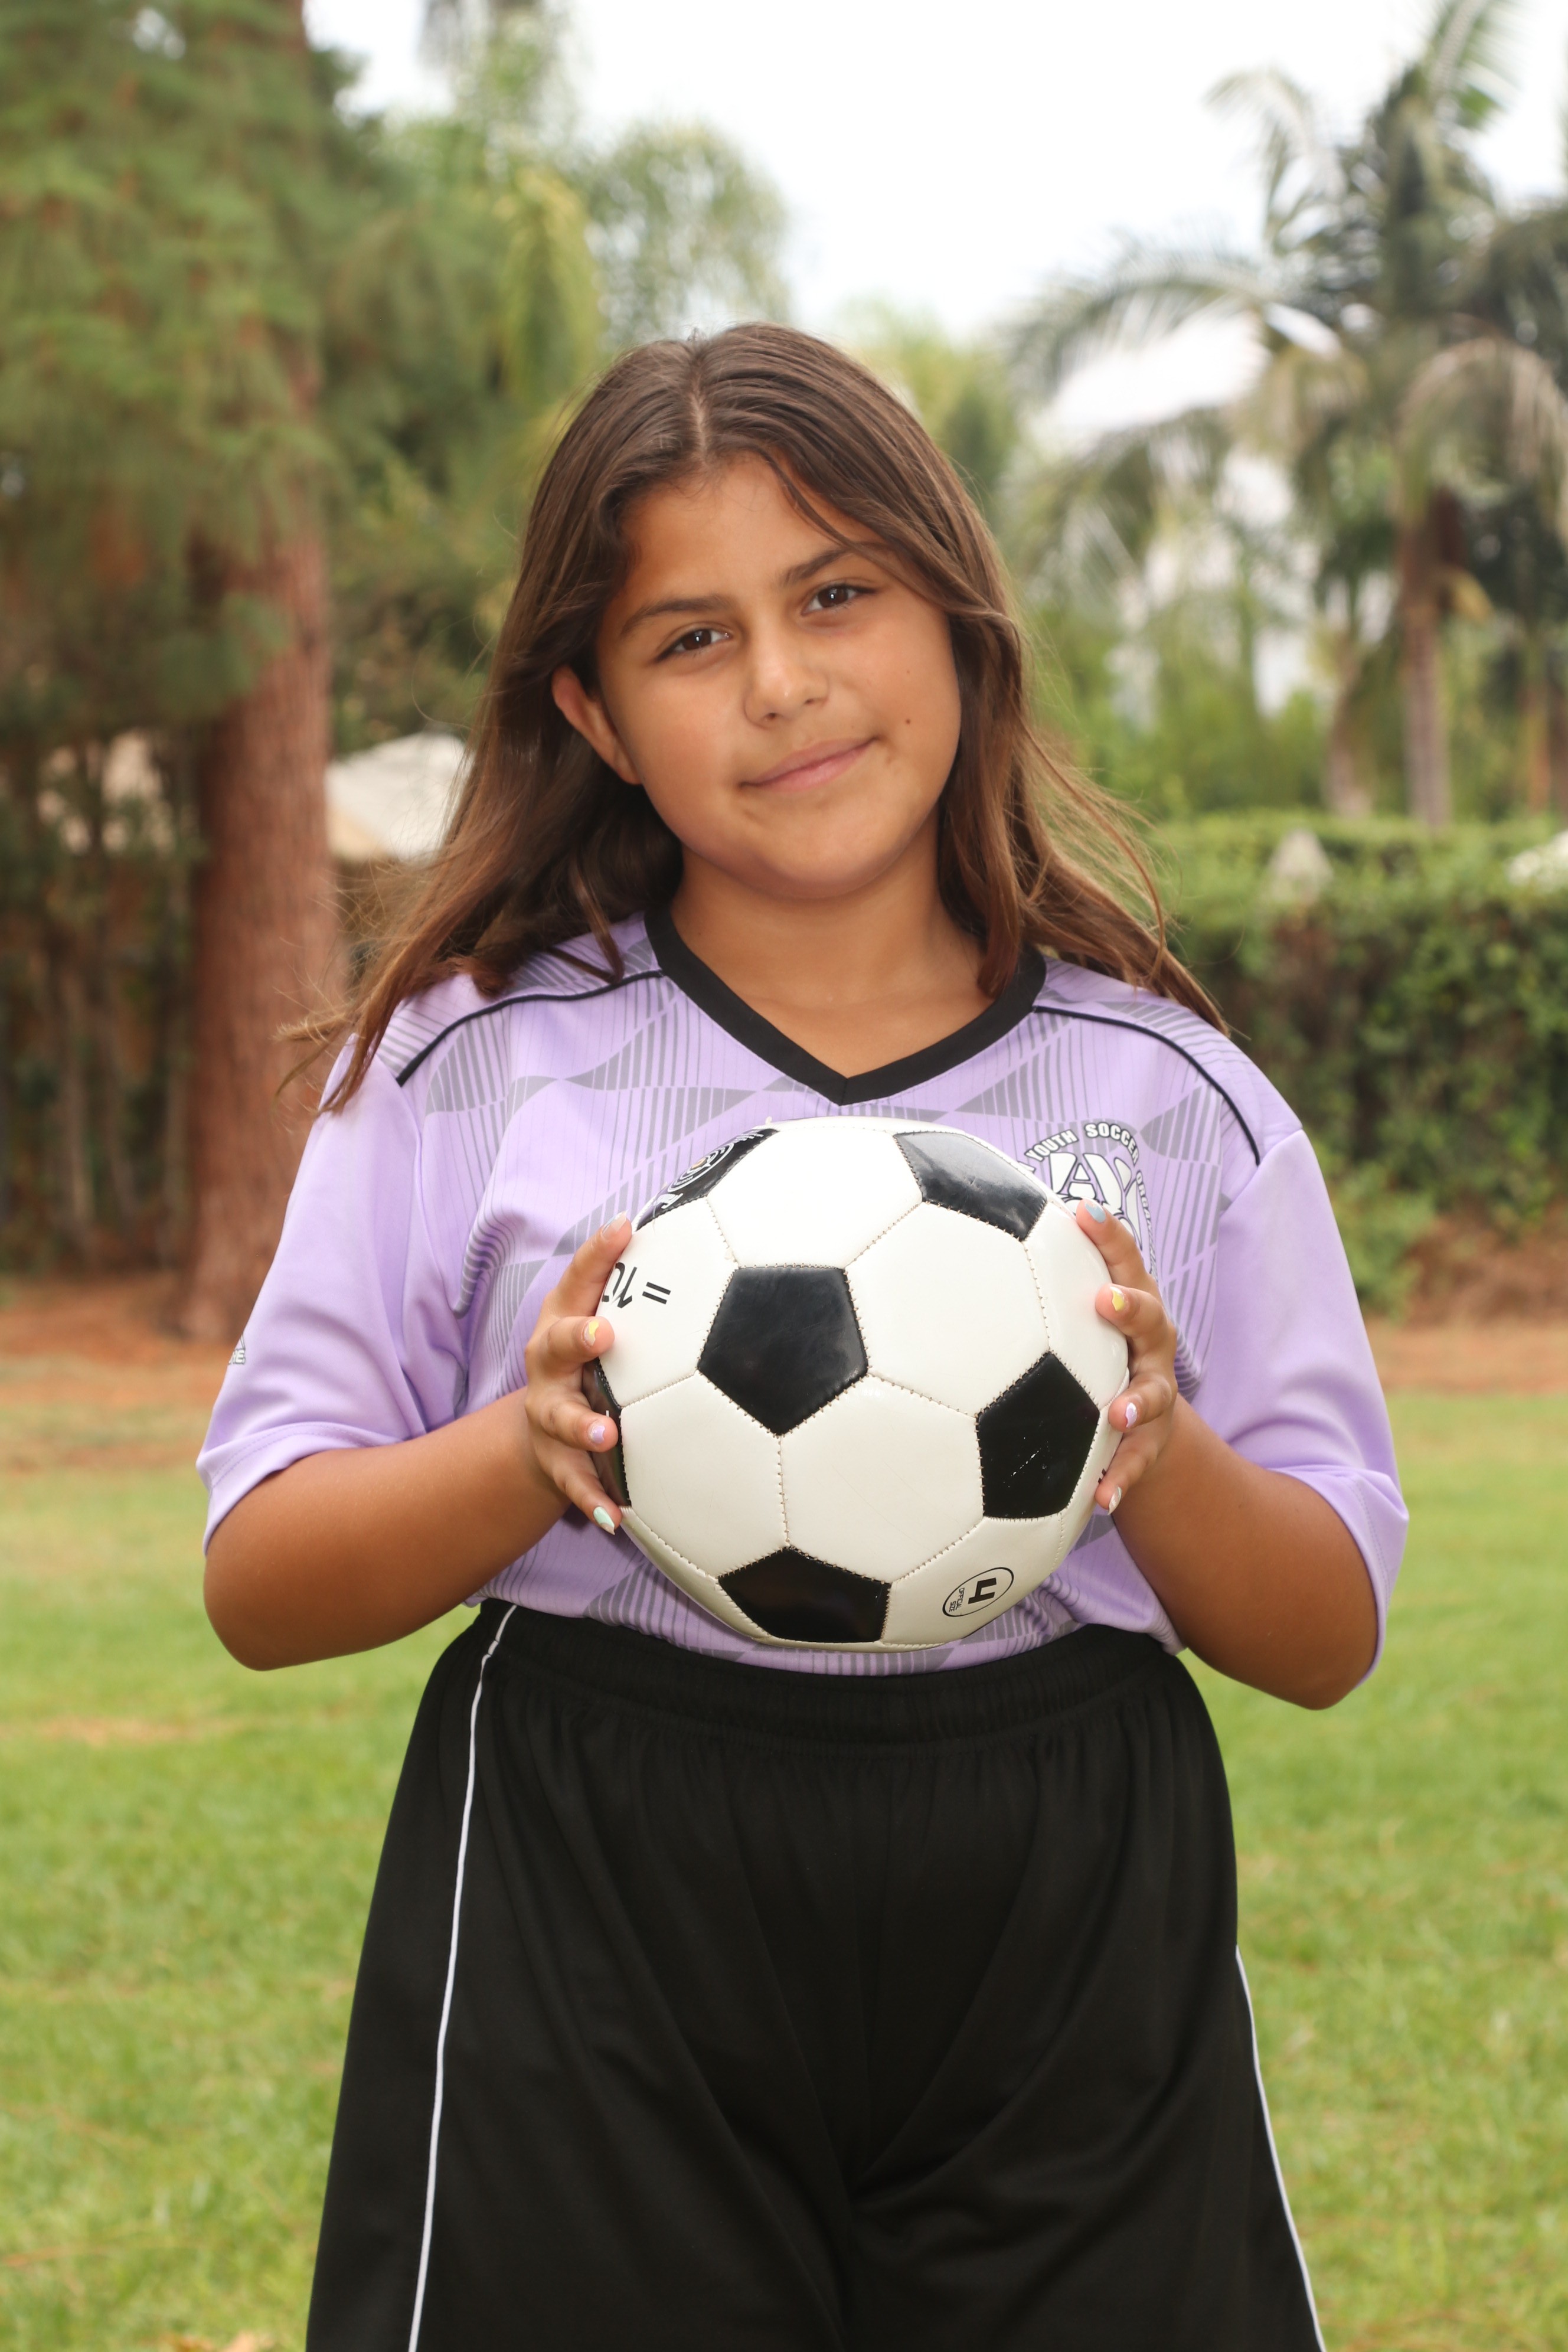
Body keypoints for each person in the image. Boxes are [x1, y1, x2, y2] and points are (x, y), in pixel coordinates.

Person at [198, 324, 1405, 2352]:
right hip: (595, 1864)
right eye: (692, 638)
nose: (781, 681)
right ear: (594, 711)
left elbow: (1329, 1628)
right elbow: (258, 1572)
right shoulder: (472, 1067)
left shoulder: (1172, 1096)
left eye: (838, 594)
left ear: (958, 616)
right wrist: (521, 1452)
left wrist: (1159, 1449)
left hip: (1068, 1881)